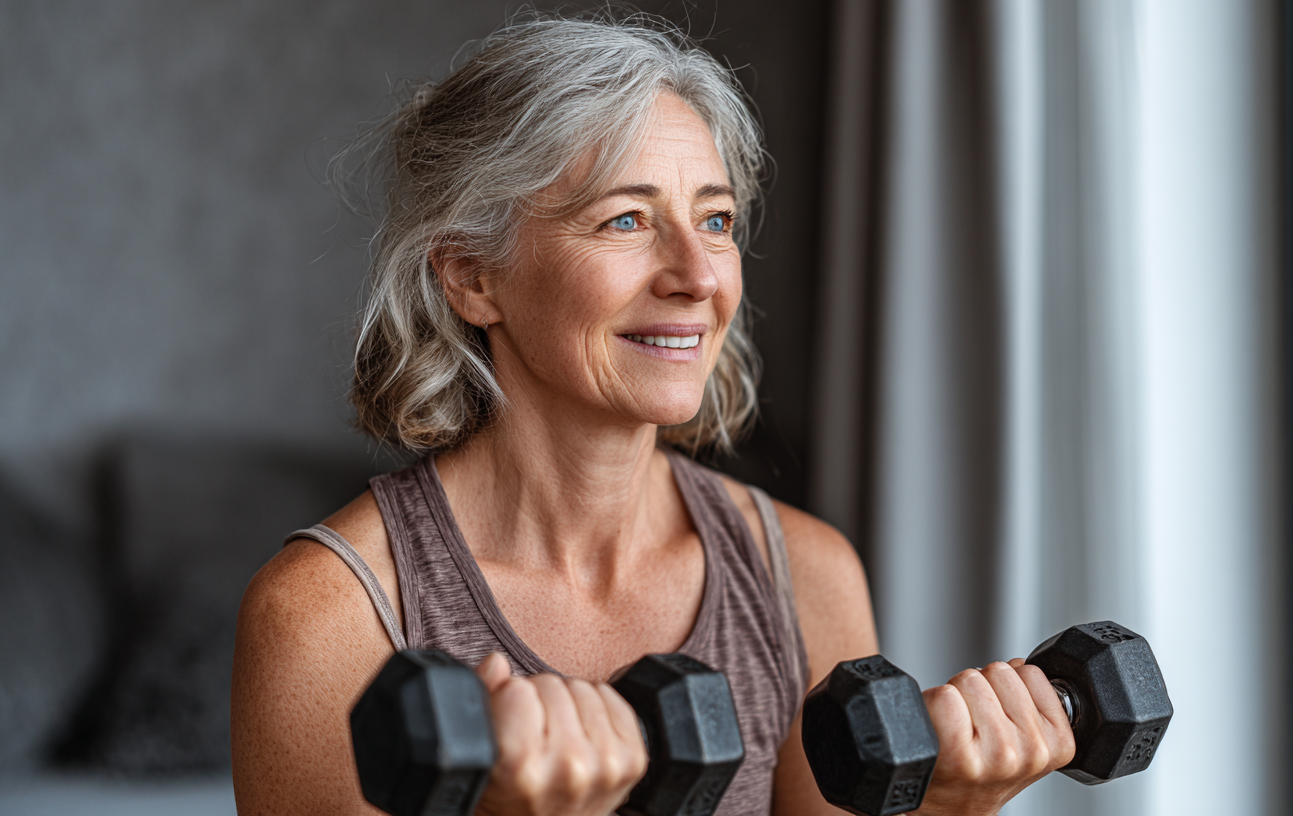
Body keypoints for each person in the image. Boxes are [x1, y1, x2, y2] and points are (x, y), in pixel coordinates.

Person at [230, 14, 1073, 816]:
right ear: (471, 278)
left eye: (715, 220)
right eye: (626, 219)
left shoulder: (806, 578)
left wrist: (960, 805)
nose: (698, 276)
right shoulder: (329, 616)